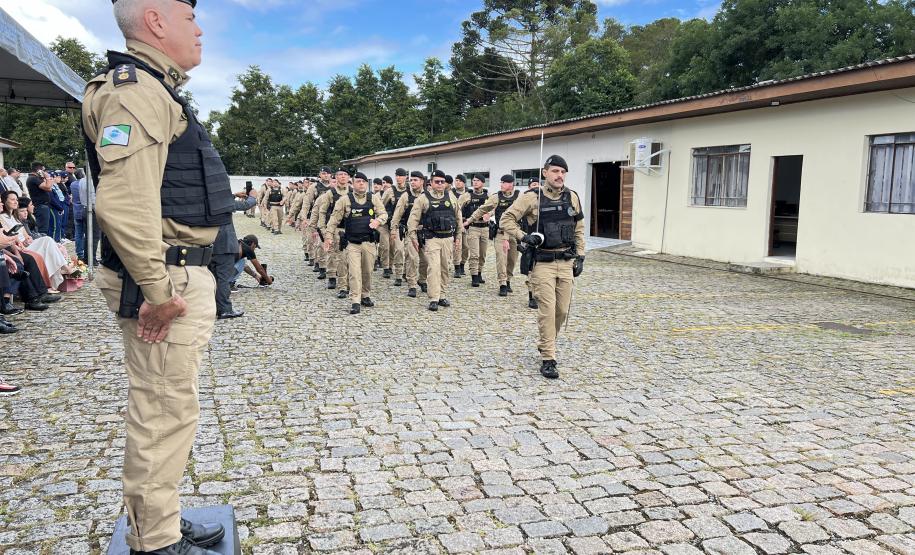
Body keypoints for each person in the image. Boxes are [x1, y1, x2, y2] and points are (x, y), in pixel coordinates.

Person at [81, 0, 231, 552]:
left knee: (169, 406)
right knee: (162, 409)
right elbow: (123, 205)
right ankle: (157, 540)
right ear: (156, 20)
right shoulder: (137, 90)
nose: (200, 29)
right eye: (189, 18)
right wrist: (159, 292)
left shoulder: (150, 87)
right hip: (164, 274)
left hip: (172, 268)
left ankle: (158, 517)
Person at [500, 155, 585, 379]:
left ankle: (546, 343)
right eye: (555, 171)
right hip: (542, 263)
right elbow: (506, 220)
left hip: (565, 261)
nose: (559, 175)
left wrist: (581, 256)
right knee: (547, 311)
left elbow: (579, 228)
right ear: (545, 173)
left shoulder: (572, 197)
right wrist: (524, 236)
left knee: (562, 311)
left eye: (563, 172)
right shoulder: (531, 198)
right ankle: (549, 357)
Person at [324, 172, 387, 314]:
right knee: (354, 272)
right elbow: (333, 220)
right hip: (352, 243)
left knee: (367, 271)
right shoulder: (345, 200)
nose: (361, 184)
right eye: (358, 181)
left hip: (369, 243)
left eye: (364, 182)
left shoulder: (373, 199)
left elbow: (384, 214)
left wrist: (378, 221)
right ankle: (355, 301)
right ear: (353, 183)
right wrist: (328, 237)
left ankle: (365, 295)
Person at [406, 169, 462, 311]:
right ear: (430, 183)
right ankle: (433, 298)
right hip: (432, 239)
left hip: (448, 238)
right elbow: (412, 220)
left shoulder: (451, 197)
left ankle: (442, 295)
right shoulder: (423, 199)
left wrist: (459, 236)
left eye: (442, 182)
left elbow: (458, 218)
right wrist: (413, 237)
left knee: (445, 268)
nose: (440, 184)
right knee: (434, 268)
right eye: (437, 181)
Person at [464, 174, 519, 297]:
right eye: (501, 183)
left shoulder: (519, 197)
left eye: (503, 183)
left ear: (511, 184)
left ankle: (508, 279)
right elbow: (482, 209)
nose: (501, 185)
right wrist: (469, 220)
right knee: (501, 258)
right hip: (500, 233)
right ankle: (502, 283)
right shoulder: (496, 197)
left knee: (512, 260)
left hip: (514, 234)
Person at [210, 189, 257, 320]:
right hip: (224, 245)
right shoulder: (223, 202)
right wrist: (252, 197)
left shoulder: (207, 199)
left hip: (209, 244)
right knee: (223, 279)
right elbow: (245, 205)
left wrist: (234, 195)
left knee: (212, 279)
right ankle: (224, 309)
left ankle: (212, 307)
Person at [313, 169, 351, 296]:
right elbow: (322, 212)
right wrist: (323, 229)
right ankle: (331, 276)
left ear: (349, 178)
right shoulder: (330, 194)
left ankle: (346, 279)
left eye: (345, 175)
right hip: (333, 228)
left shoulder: (352, 193)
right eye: (340, 175)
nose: (343, 177)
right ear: (335, 178)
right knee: (332, 253)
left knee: (346, 256)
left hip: (349, 228)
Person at [391, 171, 427, 298]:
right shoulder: (406, 196)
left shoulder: (428, 195)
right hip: (410, 232)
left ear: (422, 181)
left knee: (426, 259)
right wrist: (393, 230)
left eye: (415, 180)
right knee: (411, 258)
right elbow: (397, 214)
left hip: (426, 232)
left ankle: (422, 280)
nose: (412, 182)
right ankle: (411, 284)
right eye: (411, 180)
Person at [458, 174, 489, 287]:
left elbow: (494, 206)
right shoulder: (467, 196)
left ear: (483, 183)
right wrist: (461, 223)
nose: (475, 182)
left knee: (483, 254)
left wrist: (489, 214)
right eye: (474, 180)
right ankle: (474, 276)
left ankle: (479, 272)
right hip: (473, 227)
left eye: (478, 181)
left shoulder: (488, 195)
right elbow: (457, 209)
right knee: (474, 254)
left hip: (485, 227)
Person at [303, 168, 333, 279]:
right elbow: (306, 203)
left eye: (328, 173)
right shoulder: (314, 187)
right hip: (317, 217)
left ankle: (329, 267)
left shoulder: (334, 186)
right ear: (320, 175)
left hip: (332, 217)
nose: (326, 175)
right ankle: (321, 266)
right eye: (323, 173)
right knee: (318, 243)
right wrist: (305, 218)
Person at [381, 168, 409, 286]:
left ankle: (407, 273)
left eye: (401, 176)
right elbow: (380, 206)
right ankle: (397, 274)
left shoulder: (410, 191)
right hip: (396, 225)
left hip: (410, 225)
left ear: (405, 177)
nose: (398, 178)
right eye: (397, 175)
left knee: (410, 252)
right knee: (398, 249)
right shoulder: (390, 191)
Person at [25, 163, 52, 237]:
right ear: (39, 170)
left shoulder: (36, 178)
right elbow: (48, 187)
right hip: (40, 206)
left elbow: (49, 188)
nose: (45, 172)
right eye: (43, 170)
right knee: (42, 229)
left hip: (43, 205)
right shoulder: (33, 178)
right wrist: (48, 177)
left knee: (45, 227)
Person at [376, 175, 395, 279]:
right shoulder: (378, 196)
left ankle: (391, 265)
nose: (385, 185)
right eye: (383, 183)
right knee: (385, 245)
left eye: (387, 183)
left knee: (393, 246)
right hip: (383, 224)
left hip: (392, 223)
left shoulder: (394, 194)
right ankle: (386, 268)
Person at [451, 174, 468, 278]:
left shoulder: (468, 193)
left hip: (467, 223)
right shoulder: (451, 193)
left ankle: (462, 264)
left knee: (466, 247)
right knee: (457, 246)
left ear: (464, 182)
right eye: (456, 180)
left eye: (459, 181)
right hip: (455, 222)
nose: (457, 182)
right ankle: (457, 267)